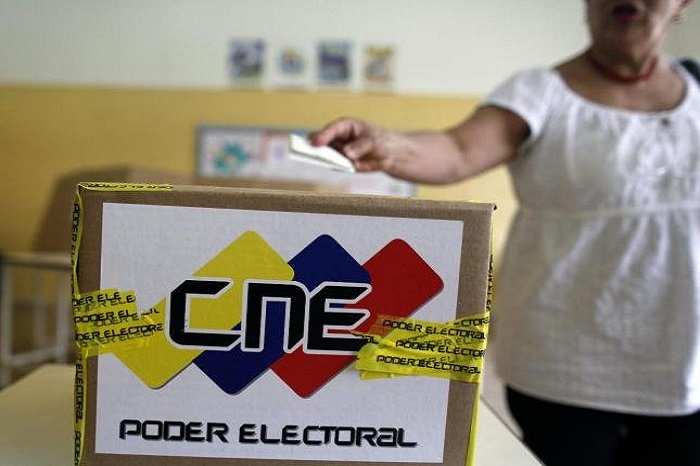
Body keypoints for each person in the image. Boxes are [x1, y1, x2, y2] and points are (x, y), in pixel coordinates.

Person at [310, 1, 700, 465]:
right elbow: (458, 149)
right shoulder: (541, 91)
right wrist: (388, 145)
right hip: (565, 362)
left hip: (686, 359)